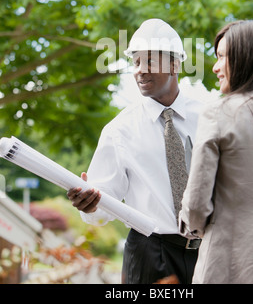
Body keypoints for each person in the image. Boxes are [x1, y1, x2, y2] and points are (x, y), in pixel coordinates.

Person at [67, 19, 204, 284]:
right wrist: (90, 205)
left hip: (208, 252)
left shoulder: (209, 119)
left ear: (175, 65)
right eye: (136, 62)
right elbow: (100, 207)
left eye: (150, 61)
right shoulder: (119, 130)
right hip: (150, 254)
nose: (140, 71)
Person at [179, 19, 253, 284]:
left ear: (245, 58)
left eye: (222, 57)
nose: (215, 67)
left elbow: (197, 204)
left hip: (231, 265)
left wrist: (188, 225)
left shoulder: (218, 114)